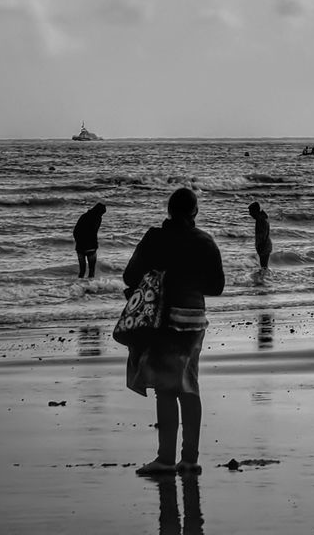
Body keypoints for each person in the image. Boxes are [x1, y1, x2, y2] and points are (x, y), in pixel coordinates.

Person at [123, 187, 225, 476]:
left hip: (164, 319)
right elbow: (217, 286)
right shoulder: (205, 241)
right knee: (189, 386)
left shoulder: (156, 237)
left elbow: (130, 276)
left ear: (169, 211)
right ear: (195, 212)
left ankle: (166, 459)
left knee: (166, 389)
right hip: (195, 321)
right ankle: (190, 459)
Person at [72, 202, 107, 278]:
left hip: (80, 247)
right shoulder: (98, 218)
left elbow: (75, 232)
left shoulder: (83, 216)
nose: (102, 215)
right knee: (91, 271)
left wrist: (78, 242)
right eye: (102, 213)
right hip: (91, 247)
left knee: (82, 271)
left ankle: (79, 288)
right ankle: (89, 288)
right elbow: (94, 232)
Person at [248, 201, 273, 270]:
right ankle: (265, 279)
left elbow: (263, 235)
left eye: (251, 211)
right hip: (266, 245)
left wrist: (259, 246)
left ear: (255, 211)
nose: (250, 214)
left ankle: (264, 279)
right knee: (264, 267)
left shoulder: (261, 220)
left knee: (264, 267)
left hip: (264, 246)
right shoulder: (262, 218)